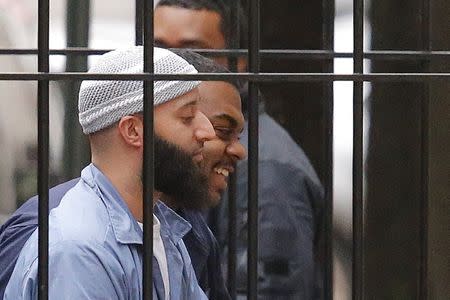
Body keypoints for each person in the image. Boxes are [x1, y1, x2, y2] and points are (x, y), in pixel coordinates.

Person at [0, 50, 246, 300]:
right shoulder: (80, 250)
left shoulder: (164, 229)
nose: (205, 131)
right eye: (188, 117)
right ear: (132, 130)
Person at [154, 1, 325, 299]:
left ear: (239, 63)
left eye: (193, 52)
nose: (171, 65)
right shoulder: (177, 145)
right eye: (157, 50)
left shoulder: (266, 168)